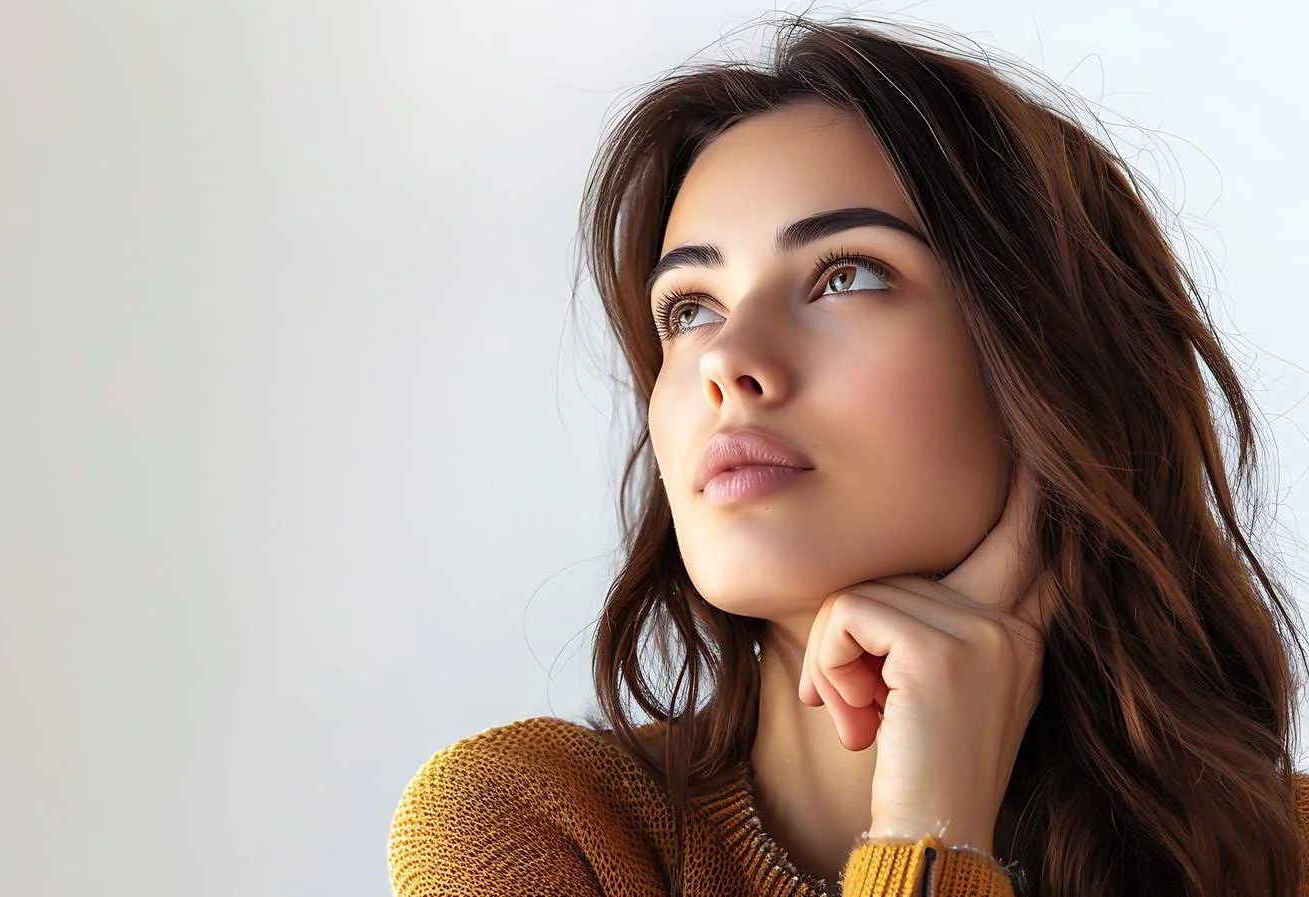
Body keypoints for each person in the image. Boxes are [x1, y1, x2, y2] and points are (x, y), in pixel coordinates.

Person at [386, 14, 1309, 897]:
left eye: (846, 274)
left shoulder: (1284, 857)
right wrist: (927, 832)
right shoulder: (534, 823)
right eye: (690, 309)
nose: (727, 362)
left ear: (1052, 364)